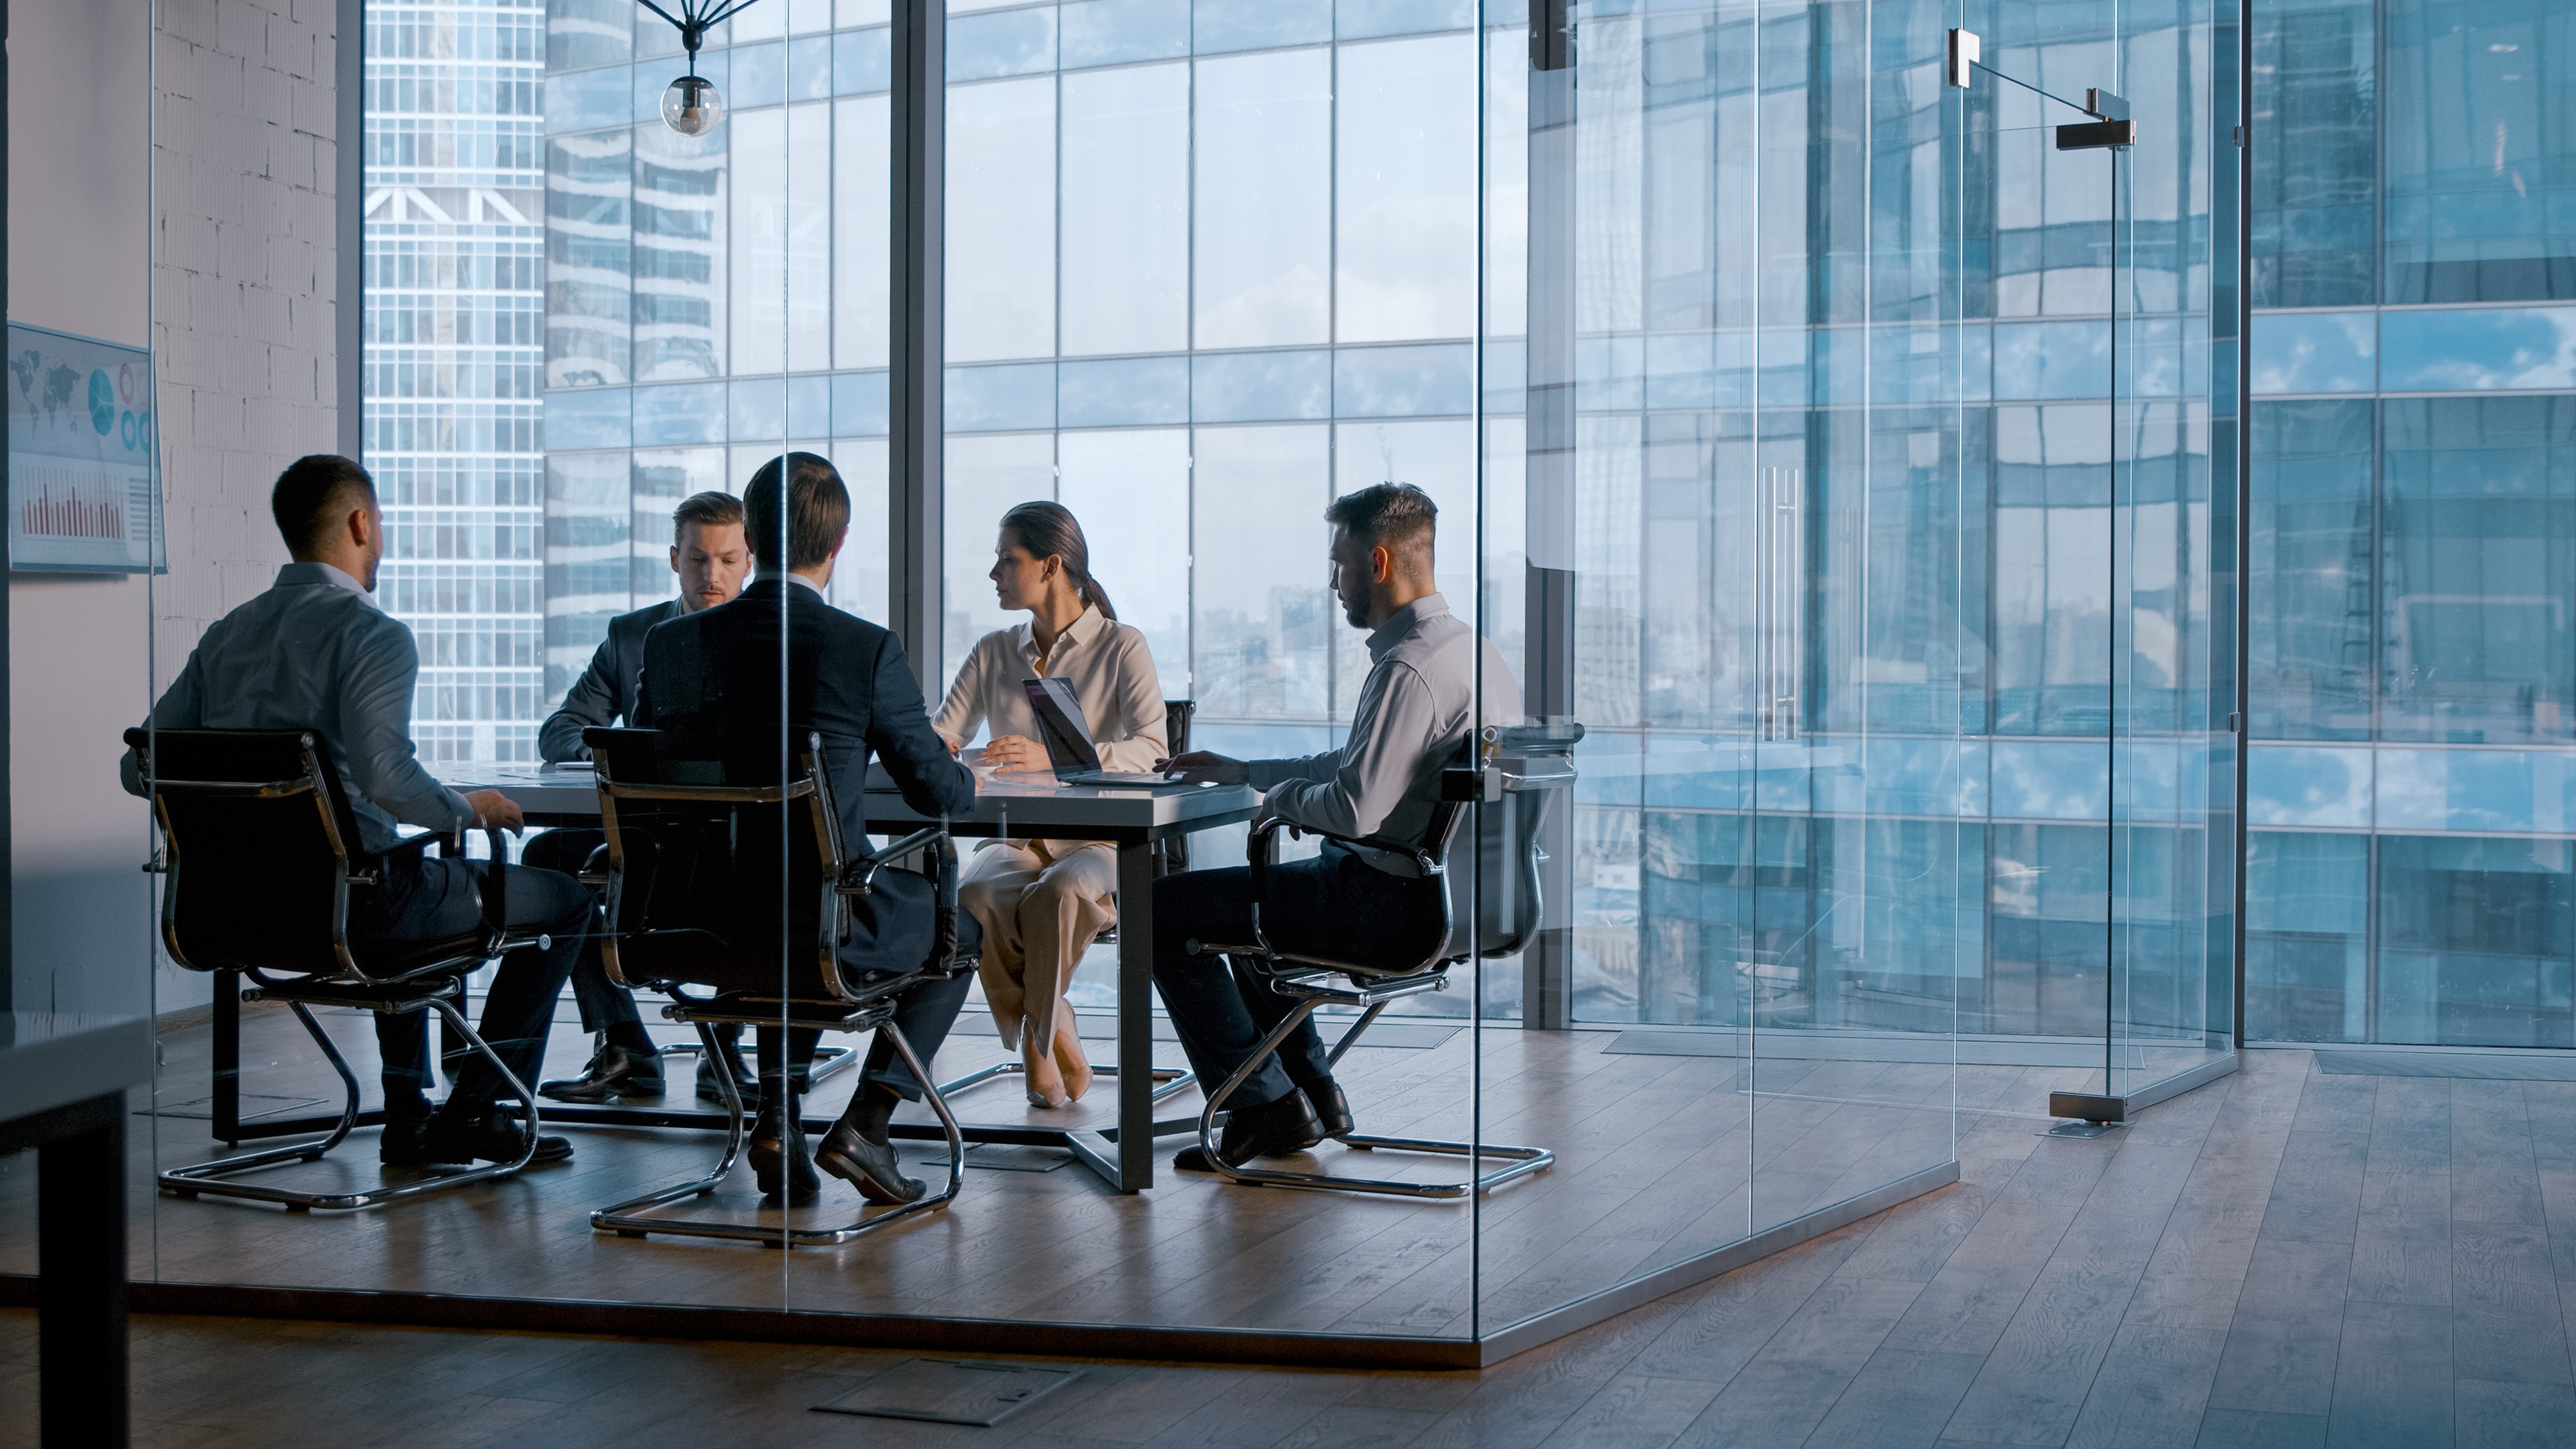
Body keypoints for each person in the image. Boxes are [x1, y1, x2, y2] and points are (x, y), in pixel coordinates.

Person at [122, 455, 592, 1168]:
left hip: (228, 914)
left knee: (391, 872)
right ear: (361, 524)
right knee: (562, 899)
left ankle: (410, 1115)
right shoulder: (373, 634)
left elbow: (139, 766)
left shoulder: (228, 634)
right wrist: (467, 809)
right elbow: (387, 778)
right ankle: (474, 1111)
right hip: (356, 912)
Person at [635, 450, 983, 1206]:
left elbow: (651, 783)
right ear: (841, 541)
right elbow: (937, 792)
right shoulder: (863, 648)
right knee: (959, 933)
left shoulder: (670, 646)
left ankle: (776, 1120)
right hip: (816, 921)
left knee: (782, 897)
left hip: (691, 921)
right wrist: (971, 771)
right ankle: (869, 1123)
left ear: (751, 541)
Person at [1152, 483, 1517, 1171]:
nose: (1332, 584)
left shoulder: (1407, 668)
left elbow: (1354, 808)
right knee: (1249, 910)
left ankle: (1264, 1108)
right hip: (1458, 902)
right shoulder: (1470, 653)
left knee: (1160, 911)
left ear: (1377, 565)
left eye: (1339, 565)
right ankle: (1313, 1093)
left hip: (1389, 908)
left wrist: (1281, 801)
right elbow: (1364, 766)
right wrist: (1248, 770)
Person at [526, 491, 755, 1107]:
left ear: (750, 561)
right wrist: (622, 759)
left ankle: (726, 1049)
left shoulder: (768, 639)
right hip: (649, 831)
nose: (713, 575)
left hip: (738, 833)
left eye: (728, 560)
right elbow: (562, 730)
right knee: (549, 854)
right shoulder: (631, 637)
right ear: (674, 558)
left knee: (759, 860)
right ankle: (625, 1041)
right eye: (699, 559)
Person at [933, 502, 1164, 1108]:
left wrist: (1054, 759)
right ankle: (1055, 1018)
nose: (995, 575)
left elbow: (1152, 749)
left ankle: (1040, 1046)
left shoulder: (1122, 647)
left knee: (1057, 895)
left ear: (1051, 565)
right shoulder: (992, 651)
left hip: (1099, 843)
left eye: (1008, 561)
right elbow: (943, 735)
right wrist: (942, 746)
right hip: (1014, 839)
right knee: (976, 894)